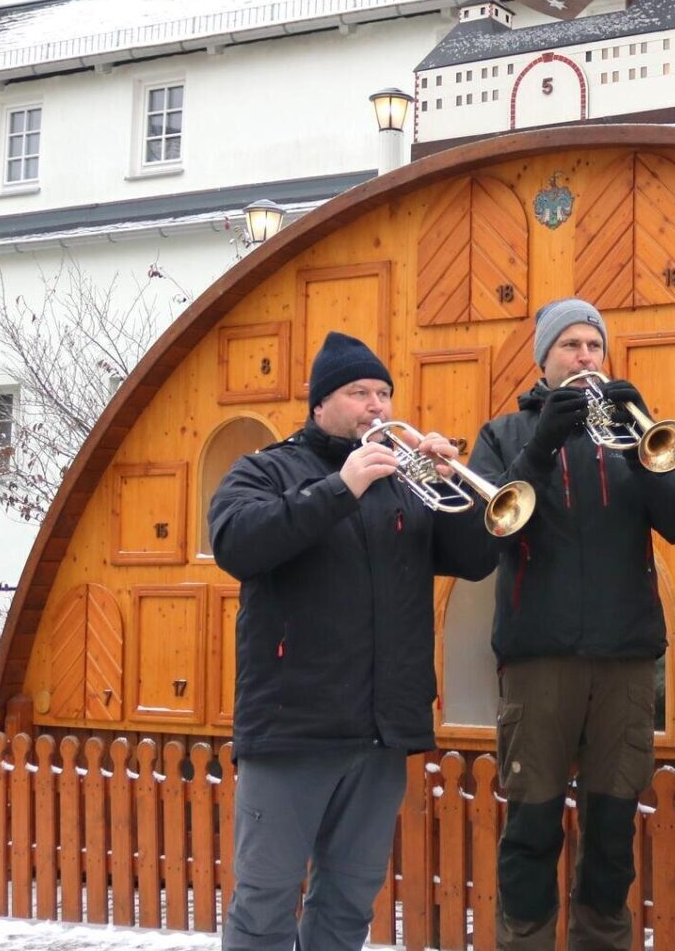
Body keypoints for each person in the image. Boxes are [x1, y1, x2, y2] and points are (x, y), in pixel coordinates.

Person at [209, 330, 496, 951]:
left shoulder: (408, 481)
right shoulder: (266, 469)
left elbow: (475, 559)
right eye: (358, 392)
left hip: (382, 731)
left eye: (384, 394)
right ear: (320, 404)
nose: (377, 407)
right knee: (265, 906)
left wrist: (455, 487)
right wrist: (340, 488)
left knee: (347, 906)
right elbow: (238, 544)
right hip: (292, 729)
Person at [467, 297, 675, 950]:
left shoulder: (634, 430)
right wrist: (541, 447)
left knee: (611, 829)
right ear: (543, 359)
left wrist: (640, 447)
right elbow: (480, 529)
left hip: (625, 660)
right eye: (570, 346)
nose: (584, 358)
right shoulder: (504, 436)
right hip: (538, 658)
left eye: (593, 346)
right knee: (532, 826)